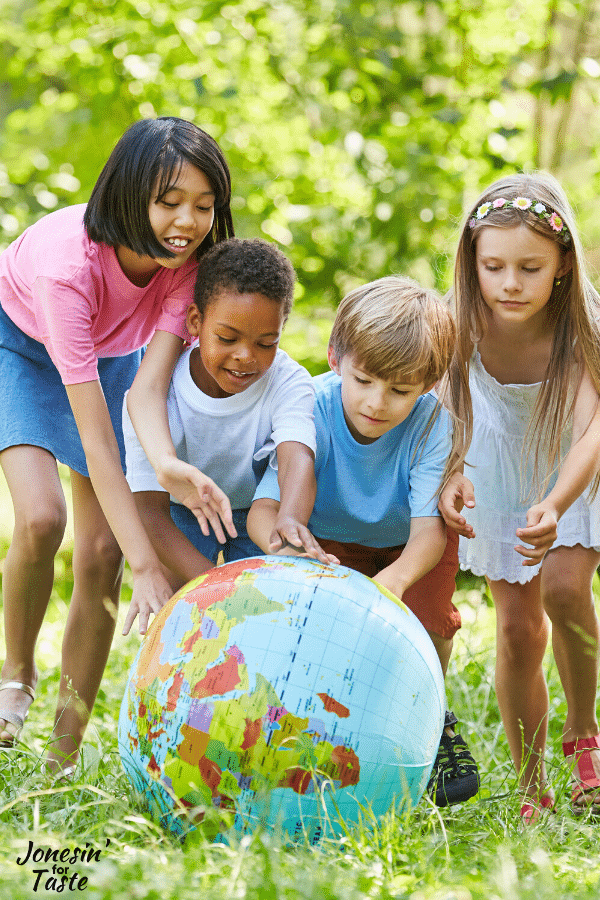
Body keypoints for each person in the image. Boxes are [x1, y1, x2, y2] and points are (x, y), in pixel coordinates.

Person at [0, 116, 236, 774]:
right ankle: (14, 680)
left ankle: (62, 755)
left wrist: (165, 465)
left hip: (112, 359)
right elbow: (97, 443)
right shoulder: (66, 270)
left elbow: (146, 390)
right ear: (130, 193)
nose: (186, 222)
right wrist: (150, 563)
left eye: (202, 205)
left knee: (102, 552)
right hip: (18, 345)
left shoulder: (186, 269)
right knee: (44, 516)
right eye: (168, 203)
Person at [247, 275, 480, 807]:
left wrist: (391, 583)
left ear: (428, 383)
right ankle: (312, 728)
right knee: (319, 639)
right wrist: (286, 549)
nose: (378, 403)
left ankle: (431, 718)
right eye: (366, 380)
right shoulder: (308, 404)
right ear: (335, 358)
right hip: (327, 539)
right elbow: (264, 509)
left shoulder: (431, 424)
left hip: (409, 546)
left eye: (401, 390)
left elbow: (428, 535)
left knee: (426, 624)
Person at [439, 173, 600, 822]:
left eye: (530, 268)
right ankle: (531, 783)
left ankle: (583, 734)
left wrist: (559, 503)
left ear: (562, 265)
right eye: (494, 266)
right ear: (472, 260)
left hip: (574, 468)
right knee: (515, 626)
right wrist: (451, 472)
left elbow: (593, 423)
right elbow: (443, 405)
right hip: (499, 469)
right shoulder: (459, 321)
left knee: (563, 589)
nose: (510, 283)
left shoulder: (580, 322)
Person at [123, 237, 331, 589]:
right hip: (181, 512)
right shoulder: (153, 394)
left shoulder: (289, 381)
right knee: (185, 608)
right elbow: (150, 513)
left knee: (265, 606)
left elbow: (297, 459)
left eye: (266, 343)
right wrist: (215, 586)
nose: (245, 356)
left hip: (258, 509)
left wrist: (291, 519)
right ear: (195, 322)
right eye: (227, 338)